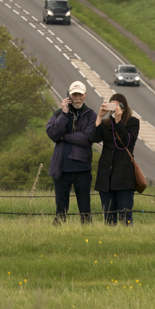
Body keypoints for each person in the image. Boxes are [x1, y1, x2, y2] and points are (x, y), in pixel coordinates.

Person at [46, 80, 97, 224]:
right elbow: (53, 134)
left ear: (85, 95)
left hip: (82, 169)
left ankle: (87, 232)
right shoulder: (59, 113)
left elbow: (87, 139)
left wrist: (64, 137)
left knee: (85, 208)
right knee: (60, 209)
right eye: (74, 95)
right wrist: (64, 114)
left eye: (80, 95)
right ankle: (59, 231)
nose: (77, 98)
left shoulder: (91, 115)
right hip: (62, 168)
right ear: (69, 95)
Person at [93, 93, 141, 225]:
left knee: (125, 216)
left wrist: (119, 121)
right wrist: (99, 116)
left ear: (123, 108)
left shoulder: (133, 122)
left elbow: (128, 141)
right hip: (106, 176)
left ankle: (126, 237)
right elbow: (94, 138)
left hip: (124, 176)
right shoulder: (106, 123)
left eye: (116, 106)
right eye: (111, 106)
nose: (114, 109)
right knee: (108, 217)